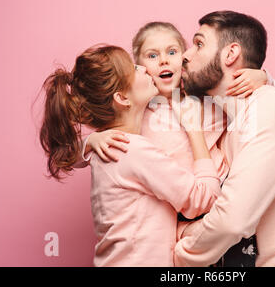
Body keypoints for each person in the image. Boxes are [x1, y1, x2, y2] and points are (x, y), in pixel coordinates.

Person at [39, 44, 222, 266]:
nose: (144, 68)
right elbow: (201, 200)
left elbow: (67, 153)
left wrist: (89, 141)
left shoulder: (105, 145)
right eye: (135, 68)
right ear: (123, 98)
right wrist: (196, 134)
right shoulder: (131, 150)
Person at [174, 10, 275, 267]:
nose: (185, 55)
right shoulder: (232, 127)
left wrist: (177, 250)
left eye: (199, 44)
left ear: (231, 54)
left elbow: (232, 220)